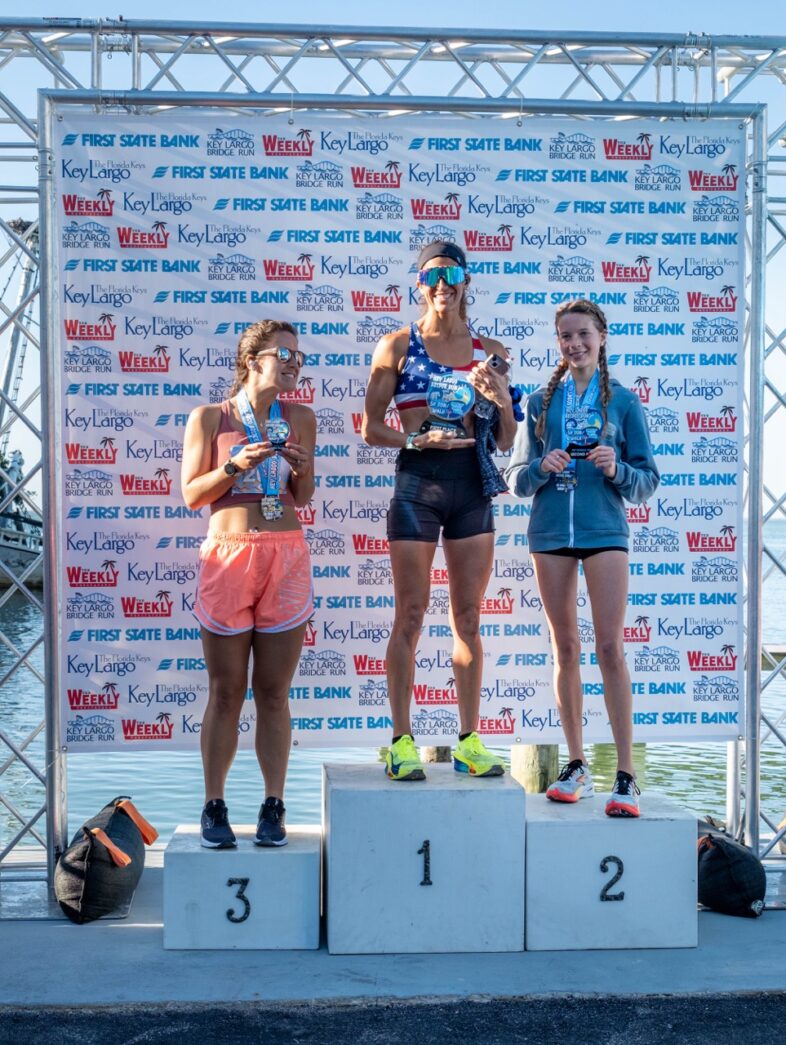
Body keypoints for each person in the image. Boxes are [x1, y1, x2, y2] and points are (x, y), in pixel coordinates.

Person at [362, 240, 518, 781]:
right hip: (418, 487)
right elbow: (370, 427)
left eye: (452, 273)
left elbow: (505, 437)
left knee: (469, 619)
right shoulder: (399, 346)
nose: (443, 284)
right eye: (433, 275)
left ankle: (470, 740)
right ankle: (402, 741)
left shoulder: (491, 349)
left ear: (467, 280)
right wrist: (414, 440)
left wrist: (498, 393)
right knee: (409, 616)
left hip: (471, 488)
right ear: (420, 284)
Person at [505, 299, 659, 817]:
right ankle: (575, 765)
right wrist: (541, 468)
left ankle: (625, 775)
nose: (575, 344)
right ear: (558, 343)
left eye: (583, 335)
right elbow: (516, 479)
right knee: (564, 647)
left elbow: (646, 482)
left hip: (604, 530)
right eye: (566, 336)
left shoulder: (624, 404)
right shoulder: (536, 403)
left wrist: (617, 469)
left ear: (602, 337)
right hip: (549, 532)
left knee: (610, 648)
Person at [181, 320, 315, 847]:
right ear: (252, 358)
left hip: (285, 554)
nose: (292, 363)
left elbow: (302, 497)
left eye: (298, 357)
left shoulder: (299, 417)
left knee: (275, 692)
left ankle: (272, 806)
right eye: (284, 353)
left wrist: (300, 468)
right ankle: (214, 805)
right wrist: (234, 465)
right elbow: (193, 495)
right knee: (226, 689)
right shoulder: (210, 417)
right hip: (229, 555)